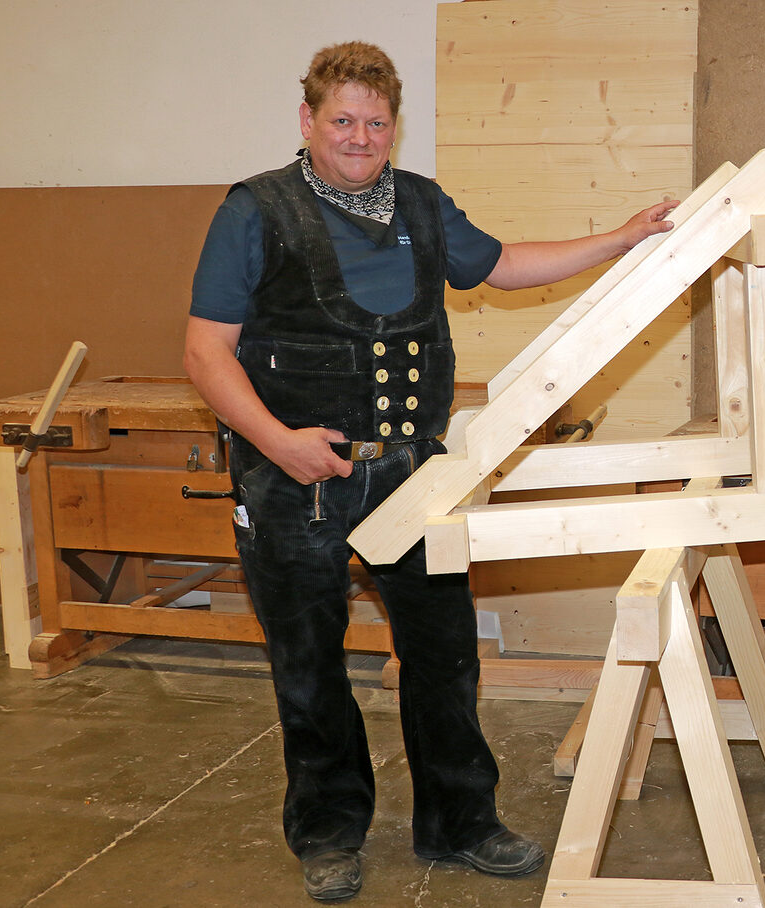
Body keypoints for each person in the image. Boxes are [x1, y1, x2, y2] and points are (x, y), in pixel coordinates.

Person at [183, 41, 678, 902]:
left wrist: (624, 238)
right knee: (309, 665)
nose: (360, 136)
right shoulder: (254, 211)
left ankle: (460, 822)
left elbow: (504, 265)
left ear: (394, 127)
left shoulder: (420, 202)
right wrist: (276, 441)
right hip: (292, 480)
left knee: (445, 657)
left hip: (414, 474)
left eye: (376, 122)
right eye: (342, 120)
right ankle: (329, 830)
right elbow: (205, 350)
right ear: (308, 121)